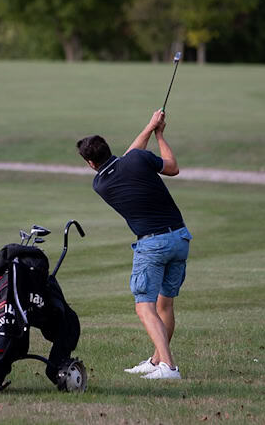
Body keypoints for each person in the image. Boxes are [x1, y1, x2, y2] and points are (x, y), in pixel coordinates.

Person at [76, 110, 192, 380]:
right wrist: (158, 133)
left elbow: (127, 159)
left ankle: (169, 368)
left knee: (144, 307)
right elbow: (171, 166)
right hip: (180, 238)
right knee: (165, 307)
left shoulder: (101, 184)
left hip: (152, 245)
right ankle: (156, 361)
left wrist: (152, 129)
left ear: (91, 163)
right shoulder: (137, 160)